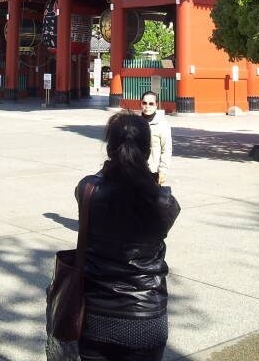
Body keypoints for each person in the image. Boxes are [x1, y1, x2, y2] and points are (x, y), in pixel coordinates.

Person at [75, 112, 180, 361]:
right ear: (146, 150)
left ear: (110, 147)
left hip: (96, 312)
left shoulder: (88, 189)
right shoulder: (163, 200)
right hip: (146, 316)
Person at [140, 92, 172, 185]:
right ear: (140, 104)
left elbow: (166, 149)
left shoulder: (162, 124)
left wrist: (163, 171)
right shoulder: (135, 121)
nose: (147, 106)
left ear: (156, 105)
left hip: (153, 171)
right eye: (144, 103)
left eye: (151, 103)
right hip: (135, 170)